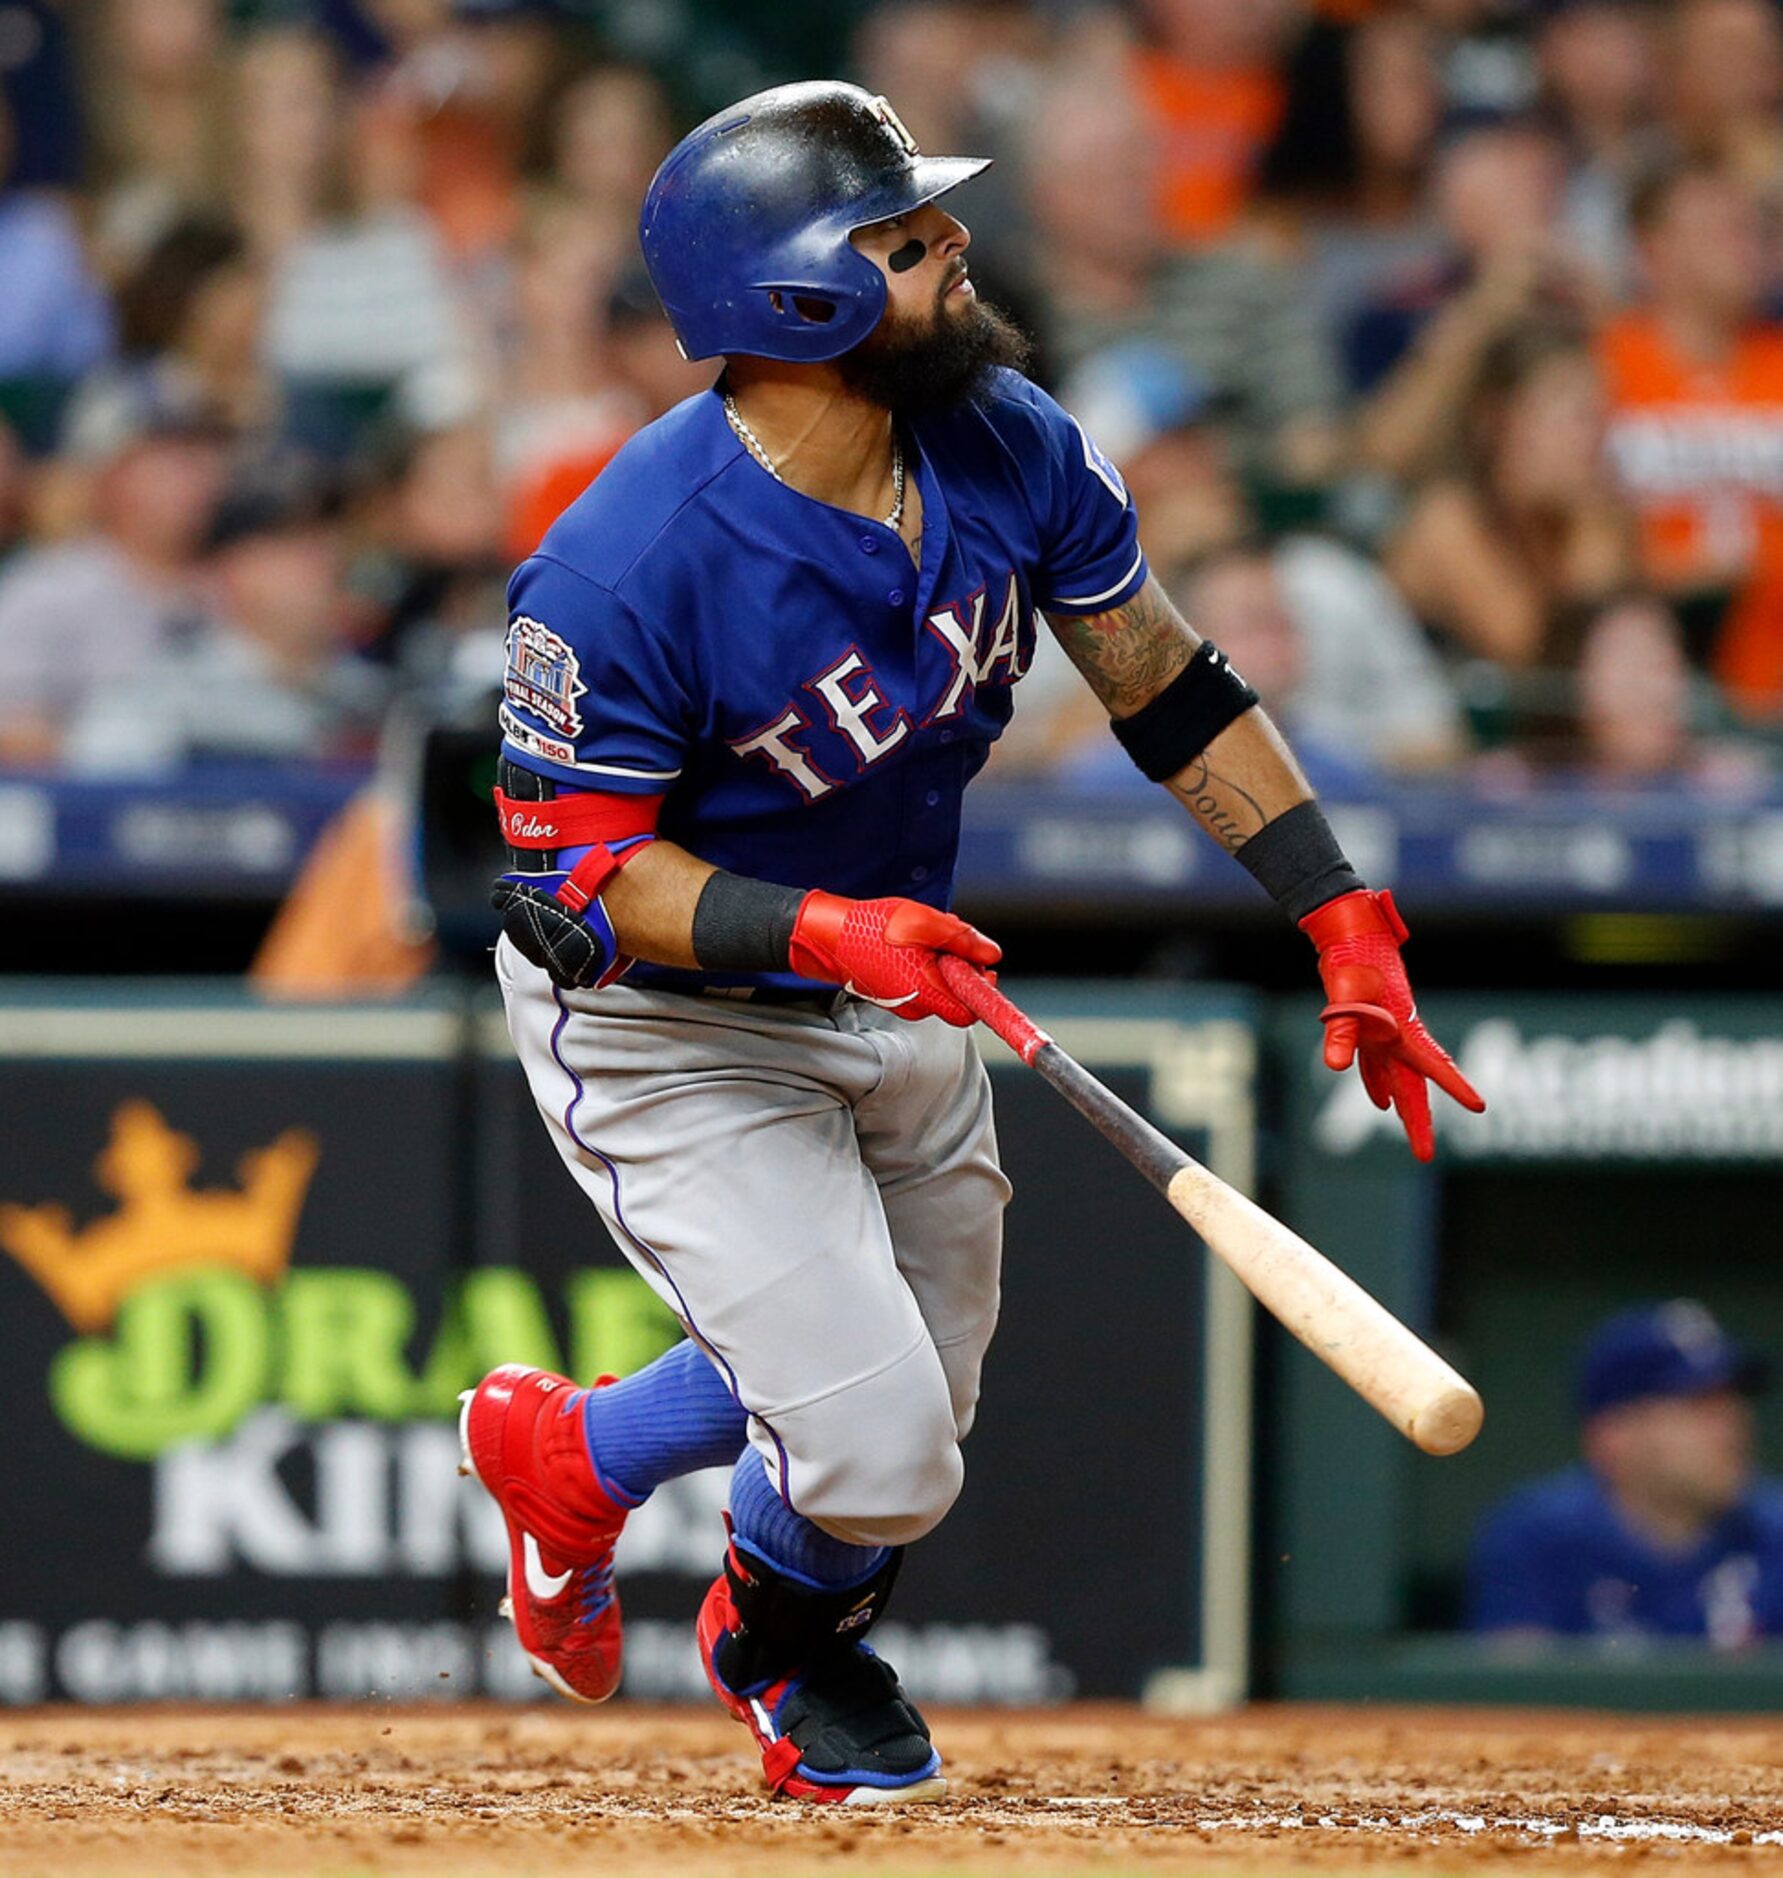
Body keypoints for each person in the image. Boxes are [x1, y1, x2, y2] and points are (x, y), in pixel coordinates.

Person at [458, 81, 1482, 1807]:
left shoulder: (1007, 437)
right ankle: (787, 1652)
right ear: (793, 301)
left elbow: (1162, 680)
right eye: (897, 236)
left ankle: (570, 1451)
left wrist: (1337, 910)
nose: (948, 252)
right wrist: (831, 929)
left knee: (903, 1417)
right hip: (673, 1015)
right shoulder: (624, 565)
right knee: (872, 1444)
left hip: (898, 969)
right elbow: (585, 878)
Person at [1468, 1301, 1783, 1648]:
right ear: (1612, 1436)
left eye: (1733, 1404)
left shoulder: (1774, 1534)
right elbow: (1512, 1690)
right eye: (1699, 1409)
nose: (1732, 1430)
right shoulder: (1539, 1538)